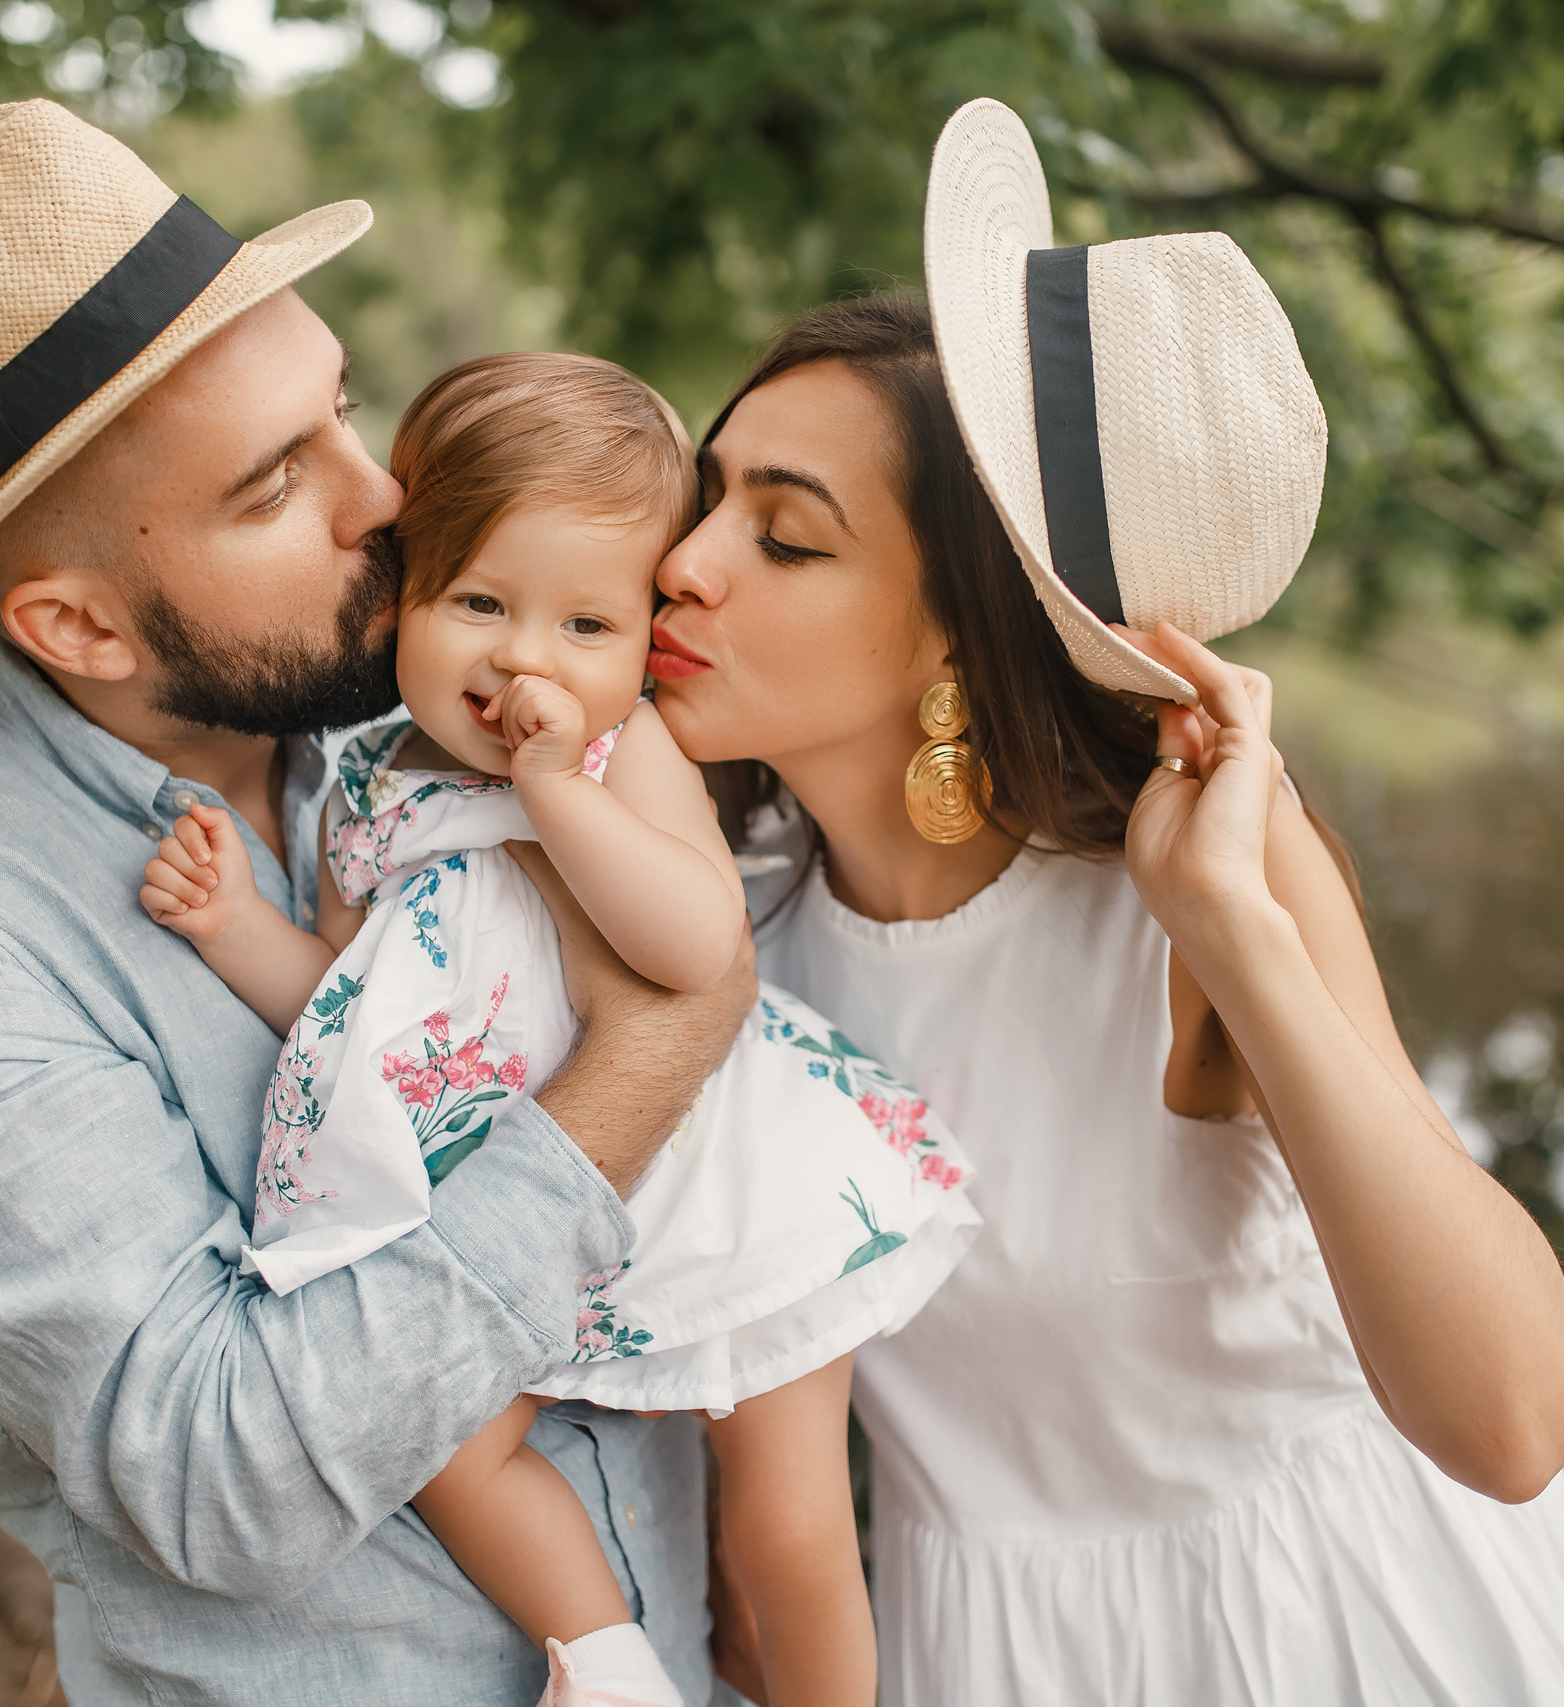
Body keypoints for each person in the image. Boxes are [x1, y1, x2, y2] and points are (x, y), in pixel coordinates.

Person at [0, 101, 750, 1704]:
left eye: (341, 410)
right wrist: (649, 1056)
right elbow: (225, 1471)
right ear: (79, 628)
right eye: (278, 485)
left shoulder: (435, 700)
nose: (386, 502)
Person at [662, 102, 1564, 1705]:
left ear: (961, 628)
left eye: (782, 536)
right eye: (705, 500)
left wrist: (1236, 928)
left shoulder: (1188, 897)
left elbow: (1514, 1423)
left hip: (1336, 1629)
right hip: (988, 1656)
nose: (685, 563)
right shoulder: (721, 935)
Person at [138, 350, 977, 1707]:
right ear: (402, 596)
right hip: (539, 1206)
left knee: (782, 1522)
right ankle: (604, 1658)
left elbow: (695, 948)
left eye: (587, 625)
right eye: (481, 603)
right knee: (451, 1446)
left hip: (720, 1167)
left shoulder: (617, 752)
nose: (526, 658)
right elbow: (355, 1021)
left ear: (642, 642)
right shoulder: (368, 790)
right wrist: (237, 927)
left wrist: (555, 793)